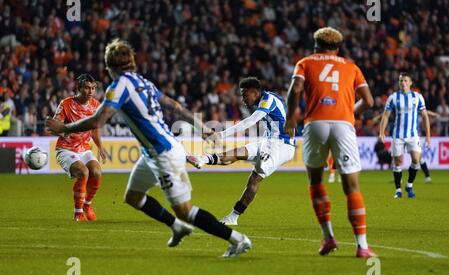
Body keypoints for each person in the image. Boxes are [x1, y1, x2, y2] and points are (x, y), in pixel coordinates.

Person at [46, 39, 251, 257]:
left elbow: (97, 121)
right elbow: (175, 105)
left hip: (164, 153)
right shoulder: (142, 81)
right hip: (151, 153)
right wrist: (203, 128)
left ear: (110, 67)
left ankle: (238, 240)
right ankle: (176, 227)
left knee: (186, 211)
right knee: (133, 197)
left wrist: (64, 126)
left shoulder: (119, 86)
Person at [285, 27, 376, 258]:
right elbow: (368, 100)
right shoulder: (351, 66)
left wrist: (290, 120)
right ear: (337, 48)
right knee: (351, 186)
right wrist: (350, 113)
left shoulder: (305, 62)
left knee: (315, 180)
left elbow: (295, 89)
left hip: (315, 125)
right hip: (343, 125)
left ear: (316, 46)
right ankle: (362, 246)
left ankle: (328, 237)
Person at [186, 77, 296, 225]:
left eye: (245, 95)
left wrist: (221, 134)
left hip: (281, 146)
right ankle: (202, 160)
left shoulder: (267, 100)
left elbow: (250, 122)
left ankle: (233, 217)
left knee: (254, 179)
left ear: (255, 93)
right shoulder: (268, 98)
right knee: (237, 153)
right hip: (268, 141)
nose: (243, 99)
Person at [52, 74, 106, 221]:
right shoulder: (66, 104)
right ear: (79, 88)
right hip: (66, 148)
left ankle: (87, 205)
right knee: (83, 172)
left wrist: (100, 147)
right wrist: (60, 129)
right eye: (87, 88)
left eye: (93, 88)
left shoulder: (95, 105)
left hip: (83, 148)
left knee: (96, 172)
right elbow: (56, 125)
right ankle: (78, 212)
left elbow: (95, 128)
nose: (90, 92)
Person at [378, 72, 431, 198]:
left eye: (406, 80)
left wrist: (428, 136)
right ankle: (398, 190)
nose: (403, 83)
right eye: (401, 80)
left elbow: (425, 116)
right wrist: (381, 132)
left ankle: (409, 185)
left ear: (410, 83)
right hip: (398, 135)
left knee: (416, 160)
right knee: (398, 162)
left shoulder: (417, 97)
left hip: (413, 135)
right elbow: (385, 116)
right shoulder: (393, 97)